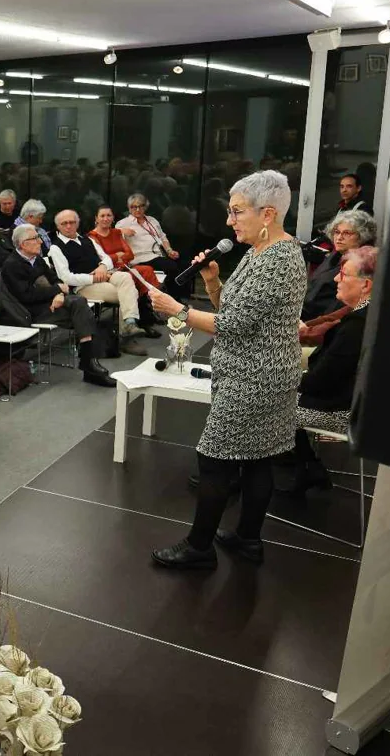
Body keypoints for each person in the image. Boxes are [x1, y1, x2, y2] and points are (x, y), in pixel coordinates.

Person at [148, 170, 307, 570]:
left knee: (215, 461)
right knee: (257, 459)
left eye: (237, 212)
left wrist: (178, 311)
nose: (229, 221)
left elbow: (231, 325)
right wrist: (214, 282)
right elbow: (233, 312)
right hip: (261, 373)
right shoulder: (259, 252)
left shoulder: (278, 261)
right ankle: (248, 539)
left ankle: (199, 548)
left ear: (267, 213)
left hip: (254, 379)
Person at [279, 246, 376, 497]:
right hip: (350, 402)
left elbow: (321, 380)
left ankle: (242, 474)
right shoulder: (369, 315)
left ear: (366, 285)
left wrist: (279, 380)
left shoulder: (358, 326)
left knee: (267, 403)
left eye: (343, 274)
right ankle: (307, 465)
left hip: (345, 412)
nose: (335, 278)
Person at [0, 224, 113, 387]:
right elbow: (25, 296)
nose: (40, 242)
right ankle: (90, 364)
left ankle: (90, 362)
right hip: (29, 311)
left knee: (80, 308)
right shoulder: (12, 264)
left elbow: (56, 280)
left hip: (48, 304)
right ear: (23, 244)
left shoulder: (37, 259)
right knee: (80, 306)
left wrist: (59, 294)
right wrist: (56, 291)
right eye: (35, 238)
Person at [49, 209, 152, 355]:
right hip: (83, 286)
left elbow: (107, 258)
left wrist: (103, 267)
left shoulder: (87, 239)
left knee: (125, 278)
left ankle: (129, 323)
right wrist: (94, 277)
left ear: (77, 223)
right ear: (58, 226)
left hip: (104, 275)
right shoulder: (56, 248)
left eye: (72, 222)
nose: (68, 226)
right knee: (130, 292)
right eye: (64, 223)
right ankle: (127, 335)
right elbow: (66, 278)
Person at [302, 210, 376, 321]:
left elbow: (338, 312)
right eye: (337, 232)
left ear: (363, 235)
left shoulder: (361, 265)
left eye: (347, 233)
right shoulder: (336, 254)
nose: (339, 237)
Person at [116, 193, 189, 297]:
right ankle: (173, 298)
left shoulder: (152, 220)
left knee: (186, 263)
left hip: (159, 255)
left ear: (145, 206)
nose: (137, 209)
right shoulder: (123, 223)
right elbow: (111, 236)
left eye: (140, 206)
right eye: (133, 207)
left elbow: (162, 237)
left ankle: (180, 297)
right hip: (141, 258)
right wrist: (121, 231)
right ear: (129, 208)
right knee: (172, 267)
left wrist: (169, 250)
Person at [88, 205, 159, 293]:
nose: (106, 219)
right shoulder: (92, 236)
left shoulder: (117, 232)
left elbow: (130, 255)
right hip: (110, 272)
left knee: (147, 269)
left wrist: (116, 257)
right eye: (102, 216)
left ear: (113, 217)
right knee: (130, 276)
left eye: (109, 215)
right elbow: (100, 259)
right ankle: (144, 301)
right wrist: (117, 255)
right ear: (96, 219)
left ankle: (152, 300)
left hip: (125, 268)